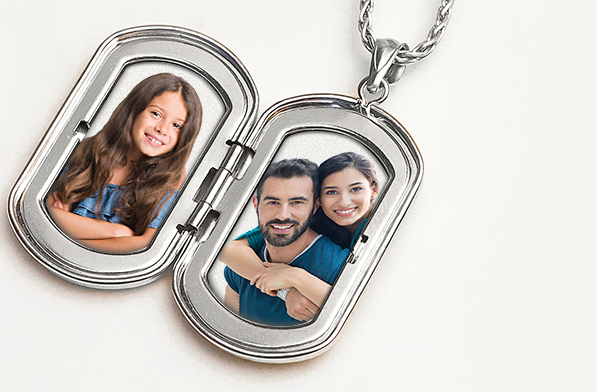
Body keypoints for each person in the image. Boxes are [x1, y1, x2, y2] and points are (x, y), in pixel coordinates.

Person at [46, 72, 202, 253]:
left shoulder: (173, 176)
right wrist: (118, 232)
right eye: (156, 114)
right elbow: (48, 212)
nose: (162, 129)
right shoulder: (89, 148)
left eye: (177, 126)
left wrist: (71, 228)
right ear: (134, 110)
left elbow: (147, 244)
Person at [220, 152, 379, 322]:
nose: (344, 202)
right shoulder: (299, 225)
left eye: (356, 189)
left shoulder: (380, 234)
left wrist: (295, 277)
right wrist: (285, 291)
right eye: (331, 192)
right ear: (319, 202)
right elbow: (227, 249)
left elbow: (368, 313)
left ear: (373, 190)